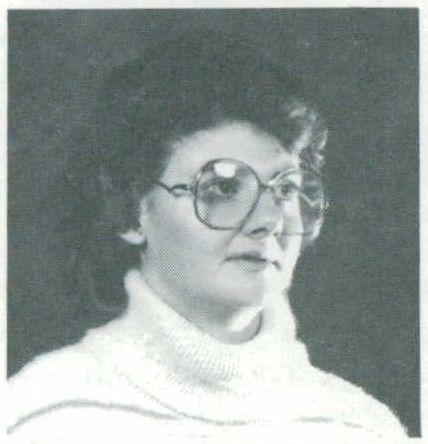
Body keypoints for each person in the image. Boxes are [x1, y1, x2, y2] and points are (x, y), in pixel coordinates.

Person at [7, 29, 407, 443]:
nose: (269, 220)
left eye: (286, 189)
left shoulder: (362, 426)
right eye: (223, 188)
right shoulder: (44, 415)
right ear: (131, 212)